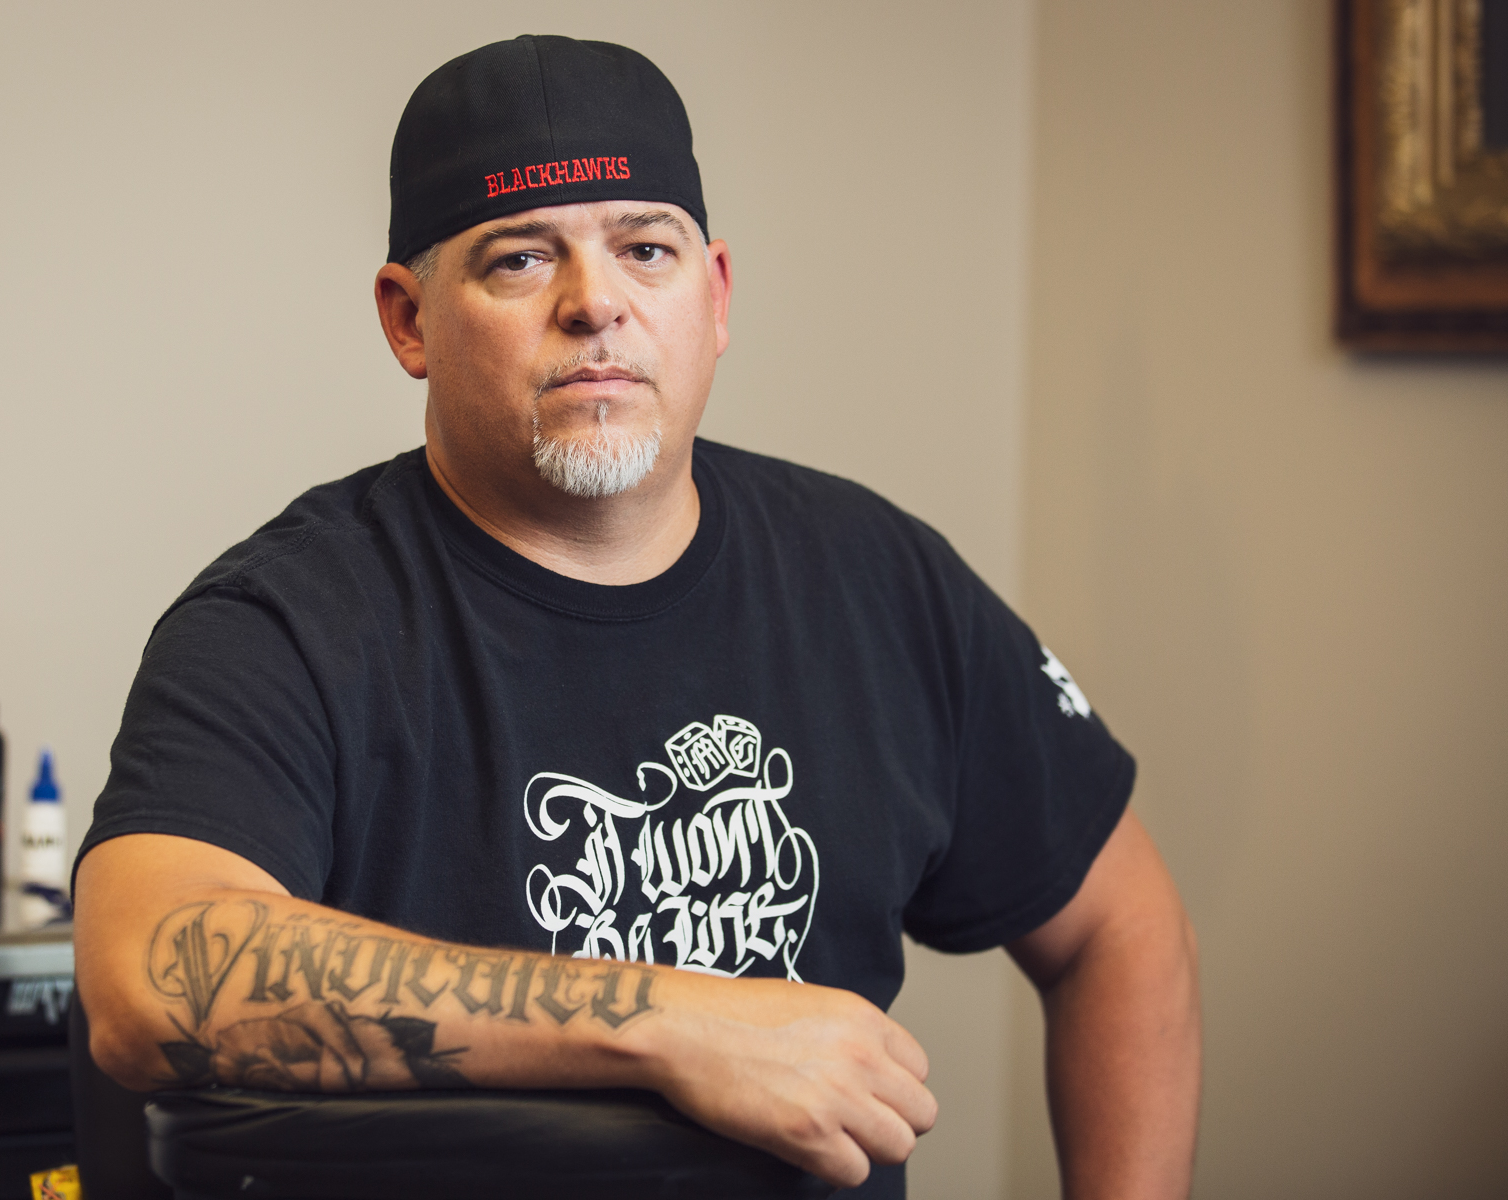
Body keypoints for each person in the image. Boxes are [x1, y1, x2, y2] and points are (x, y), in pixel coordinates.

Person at [73, 35, 1200, 1198]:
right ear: (408, 321)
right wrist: (670, 1024)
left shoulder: (875, 579)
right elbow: (148, 973)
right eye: (519, 259)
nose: (594, 303)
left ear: (713, 299)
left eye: (644, 249)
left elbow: (1122, 926)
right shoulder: (287, 625)